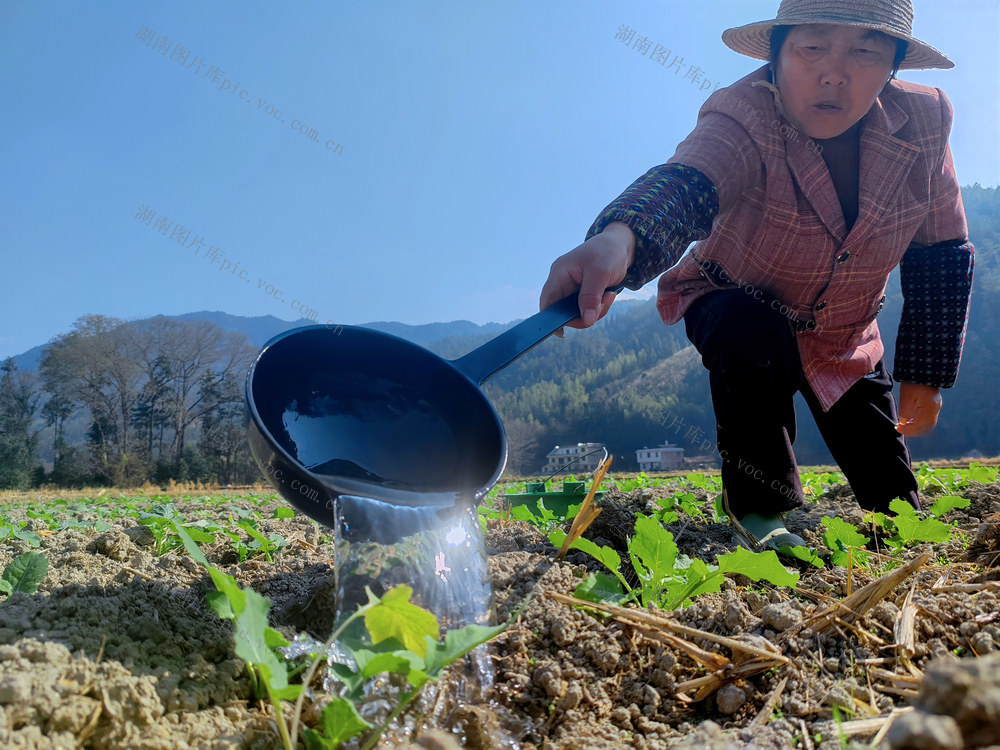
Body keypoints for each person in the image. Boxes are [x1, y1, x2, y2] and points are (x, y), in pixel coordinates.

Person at [539, 0, 974, 555]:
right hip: (733, 295)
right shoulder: (743, 113)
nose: (834, 74)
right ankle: (758, 508)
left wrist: (926, 373)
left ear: (892, 67)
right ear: (775, 55)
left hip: (845, 333)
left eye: (865, 51)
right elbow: (691, 179)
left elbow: (941, 247)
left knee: (894, 505)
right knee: (751, 332)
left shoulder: (925, 122)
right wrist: (620, 237)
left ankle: (893, 510)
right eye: (812, 48)